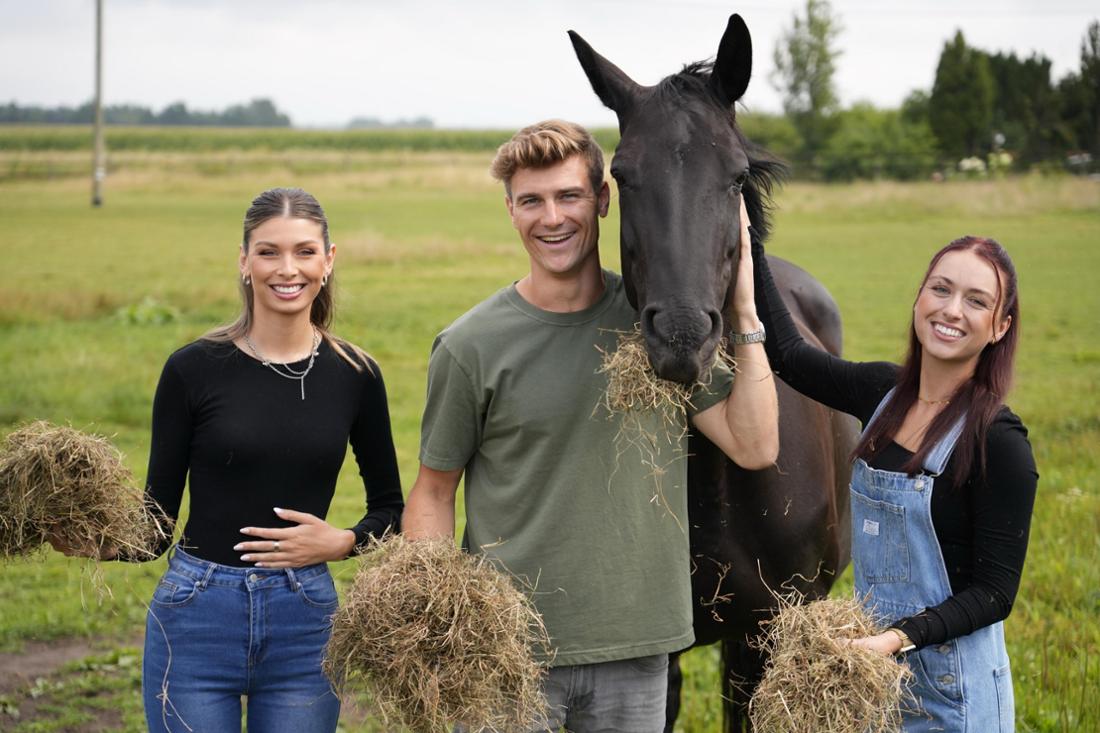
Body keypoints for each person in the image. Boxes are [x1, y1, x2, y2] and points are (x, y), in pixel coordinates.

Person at [402, 120, 779, 733]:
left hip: (638, 647)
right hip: (509, 654)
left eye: (569, 196)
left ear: (604, 200)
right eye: (532, 201)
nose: (552, 218)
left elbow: (755, 444)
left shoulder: (654, 328)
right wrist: (437, 622)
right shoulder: (471, 346)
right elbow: (434, 491)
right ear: (511, 211)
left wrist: (743, 312)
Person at [50, 187, 404, 733]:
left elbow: (390, 508)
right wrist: (89, 539)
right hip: (195, 615)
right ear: (244, 262)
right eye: (269, 252)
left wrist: (343, 541)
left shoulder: (355, 374)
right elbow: (155, 527)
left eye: (305, 252)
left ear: (329, 261)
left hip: (305, 619)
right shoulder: (193, 369)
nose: (288, 269)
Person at [747, 196, 1037, 732]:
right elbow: (787, 354)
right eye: (941, 289)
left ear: (1000, 326)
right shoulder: (881, 393)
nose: (951, 310)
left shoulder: (999, 441)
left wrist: (893, 639)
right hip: (876, 690)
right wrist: (747, 237)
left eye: (976, 301)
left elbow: (994, 593)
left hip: (955, 700)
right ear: (918, 299)